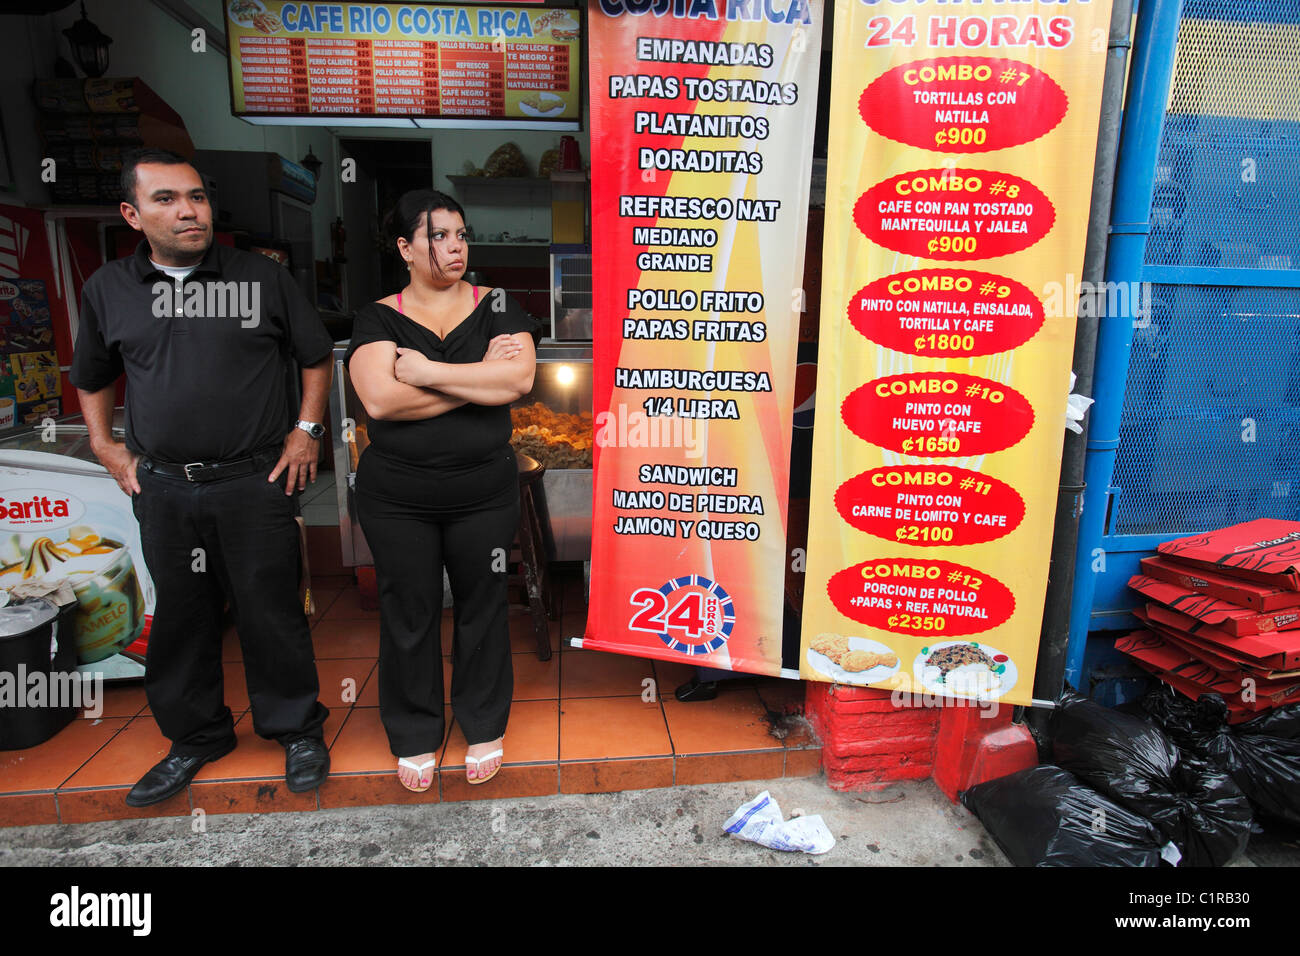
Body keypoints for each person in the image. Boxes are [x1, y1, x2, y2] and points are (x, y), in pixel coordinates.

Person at [70, 148, 334, 807]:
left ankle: (296, 729)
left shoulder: (261, 278)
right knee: (181, 619)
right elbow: (93, 375)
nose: (189, 211)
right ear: (132, 214)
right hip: (162, 487)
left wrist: (308, 430)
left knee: (271, 613)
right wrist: (105, 445)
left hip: (253, 481)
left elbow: (315, 355)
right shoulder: (108, 289)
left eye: (196, 197)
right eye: (166, 199)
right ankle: (196, 737)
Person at [345, 189, 539, 791]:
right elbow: (380, 399)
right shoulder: (376, 316)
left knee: (483, 604)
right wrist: (480, 378)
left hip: (483, 489)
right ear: (405, 248)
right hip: (397, 495)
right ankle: (414, 731)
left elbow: (520, 379)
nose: (455, 247)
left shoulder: (497, 305)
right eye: (439, 236)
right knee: (410, 608)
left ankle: (482, 723)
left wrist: (426, 372)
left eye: (461, 234)